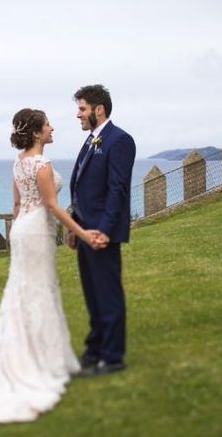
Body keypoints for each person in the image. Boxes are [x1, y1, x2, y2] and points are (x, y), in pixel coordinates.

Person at [0, 108, 101, 432]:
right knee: (38, 292)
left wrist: (21, 229)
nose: (53, 127)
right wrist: (82, 233)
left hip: (22, 230)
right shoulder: (42, 165)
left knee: (24, 292)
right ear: (39, 132)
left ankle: (39, 356)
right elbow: (53, 206)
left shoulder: (17, 163)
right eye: (48, 124)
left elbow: (16, 205)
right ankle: (39, 364)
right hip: (36, 233)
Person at [68, 84, 136, 377]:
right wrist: (75, 225)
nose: (78, 115)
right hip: (85, 231)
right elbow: (84, 189)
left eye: (82, 109)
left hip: (102, 234)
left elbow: (116, 190)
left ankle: (112, 356)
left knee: (107, 294)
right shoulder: (91, 141)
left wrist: (105, 230)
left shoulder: (119, 140)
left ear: (99, 109)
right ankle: (93, 349)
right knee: (92, 294)